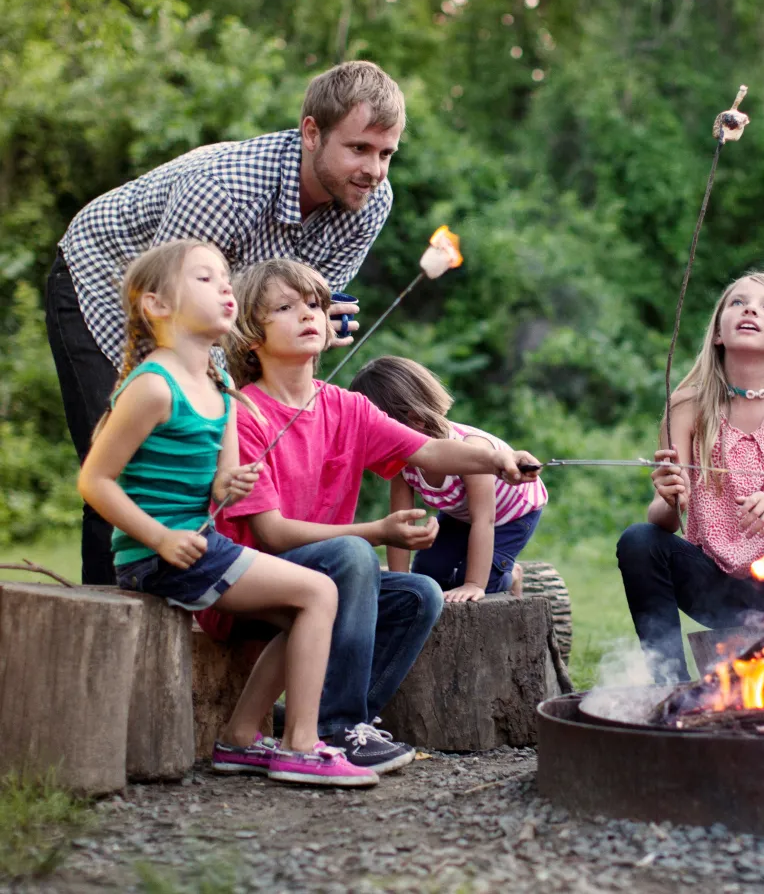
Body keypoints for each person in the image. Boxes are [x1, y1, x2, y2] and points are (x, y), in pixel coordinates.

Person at [48, 60, 405, 585]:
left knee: (219, 465)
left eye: (386, 153)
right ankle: (115, 626)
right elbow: (174, 315)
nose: (374, 170)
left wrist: (313, 328)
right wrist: (224, 400)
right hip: (110, 280)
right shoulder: (224, 188)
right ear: (311, 132)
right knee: (135, 468)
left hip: (214, 310)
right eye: (358, 149)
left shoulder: (370, 202)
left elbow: (305, 307)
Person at [205, 259, 542, 770]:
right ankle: (336, 730)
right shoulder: (246, 413)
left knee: (418, 594)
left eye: (315, 304)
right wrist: (377, 531)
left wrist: (496, 458)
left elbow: (428, 452)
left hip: (325, 579)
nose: (308, 315)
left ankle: (347, 720)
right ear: (252, 333)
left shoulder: (347, 407)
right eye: (286, 307)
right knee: (353, 553)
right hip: (252, 579)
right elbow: (270, 534)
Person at [77, 240, 378, 787]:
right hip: (156, 555)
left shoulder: (222, 392)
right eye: (205, 278)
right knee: (319, 592)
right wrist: (161, 538)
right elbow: (94, 481)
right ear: (157, 306)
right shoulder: (152, 386)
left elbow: (216, 491)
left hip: (198, 547)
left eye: (224, 278)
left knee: (301, 610)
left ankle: (241, 738)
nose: (224, 287)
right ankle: (303, 745)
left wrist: (227, 486)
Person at [616, 272, 764, 683]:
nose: (750, 308)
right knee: (639, 540)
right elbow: (665, 521)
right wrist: (667, 498)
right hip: (710, 583)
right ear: (718, 333)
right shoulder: (685, 406)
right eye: (737, 303)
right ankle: (669, 684)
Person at [350, 356, 548, 603]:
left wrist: (474, 583)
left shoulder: (470, 451)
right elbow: (400, 524)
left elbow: (484, 520)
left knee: (482, 581)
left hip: (511, 514)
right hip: (460, 514)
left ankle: (512, 574)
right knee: (427, 571)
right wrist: (400, 582)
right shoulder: (400, 459)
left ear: (415, 420)